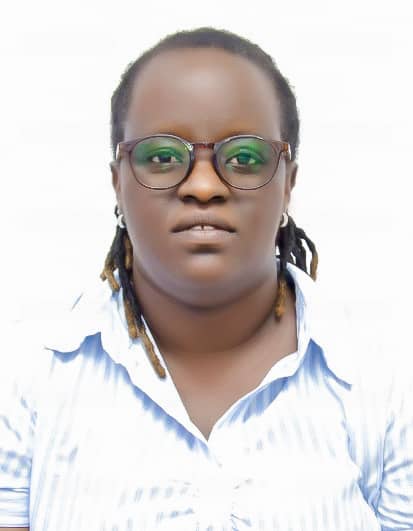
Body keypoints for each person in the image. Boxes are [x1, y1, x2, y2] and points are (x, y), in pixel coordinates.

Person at [0, 26, 411, 531]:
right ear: (118, 183)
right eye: (162, 156)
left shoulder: (385, 389)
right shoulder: (25, 379)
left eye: (244, 158)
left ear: (288, 184)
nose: (202, 185)